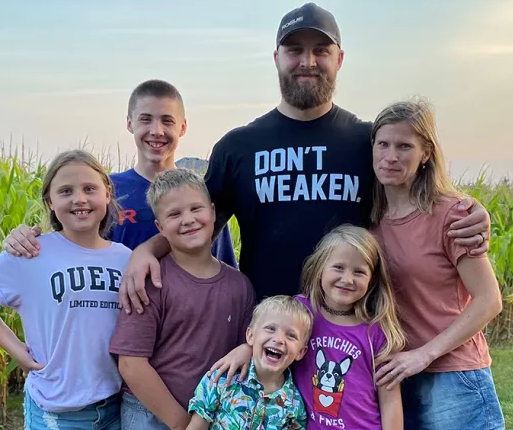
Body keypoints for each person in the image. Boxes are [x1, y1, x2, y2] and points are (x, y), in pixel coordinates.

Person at [118, 2, 491, 316]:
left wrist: (470, 212)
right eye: (295, 50)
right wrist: (147, 252)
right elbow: (195, 225)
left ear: (339, 59)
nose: (307, 61)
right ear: (276, 58)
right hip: (269, 333)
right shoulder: (238, 147)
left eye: (321, 51)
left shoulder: (368, 142)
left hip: (353, 330)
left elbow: (419, 199)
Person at [0, 149, 129, 430]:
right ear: (50, 201)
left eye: (89, 188)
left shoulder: (125, 258)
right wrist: (17, 350)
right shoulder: (31, 252)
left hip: (115, 408)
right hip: (56, 411)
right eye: (66, 191)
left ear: (107, 194)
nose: (79, 199)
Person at [368, 98, 505, 429]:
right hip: (398, 377)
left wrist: (423, 354)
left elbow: (489, 301)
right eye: (383, 144)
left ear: (425, 153)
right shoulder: (371, 220)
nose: (390, 156)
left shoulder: (452, 215)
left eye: (404, 146)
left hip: (453, 378)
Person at [0, 79, 238, 267]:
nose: (156, 131)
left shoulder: (201, 196)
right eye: (145, 120)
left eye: (167, 121)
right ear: (129, 124)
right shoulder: (104, 193)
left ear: (183, 127)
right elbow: (68, 249)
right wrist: (23, 238)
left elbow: (222, 267)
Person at [209, 224, 406, 429]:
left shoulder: (377, 332)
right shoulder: (302, 312)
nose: (347, 279)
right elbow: (272, 337)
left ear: (371, 279)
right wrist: (246, 349)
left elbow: (390, 401)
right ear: (320, 268)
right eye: (338, 267)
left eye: (359, 272)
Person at [108, 168, 256, 430]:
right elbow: (131, 364)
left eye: (196, 209)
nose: (188, 220)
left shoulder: (240, 286)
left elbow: (244, 353)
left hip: (211, 413)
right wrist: (182, 424)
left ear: (212, 212)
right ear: (160, 227)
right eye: (174, 214)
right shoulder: (150, 280)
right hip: (148, 414)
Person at [187, 295, 313, 429]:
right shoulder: (221, 379)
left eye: (291, 335)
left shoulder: (295, 405)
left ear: (300, 352)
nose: (279, 339)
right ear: (251, 335)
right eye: (270, 328)